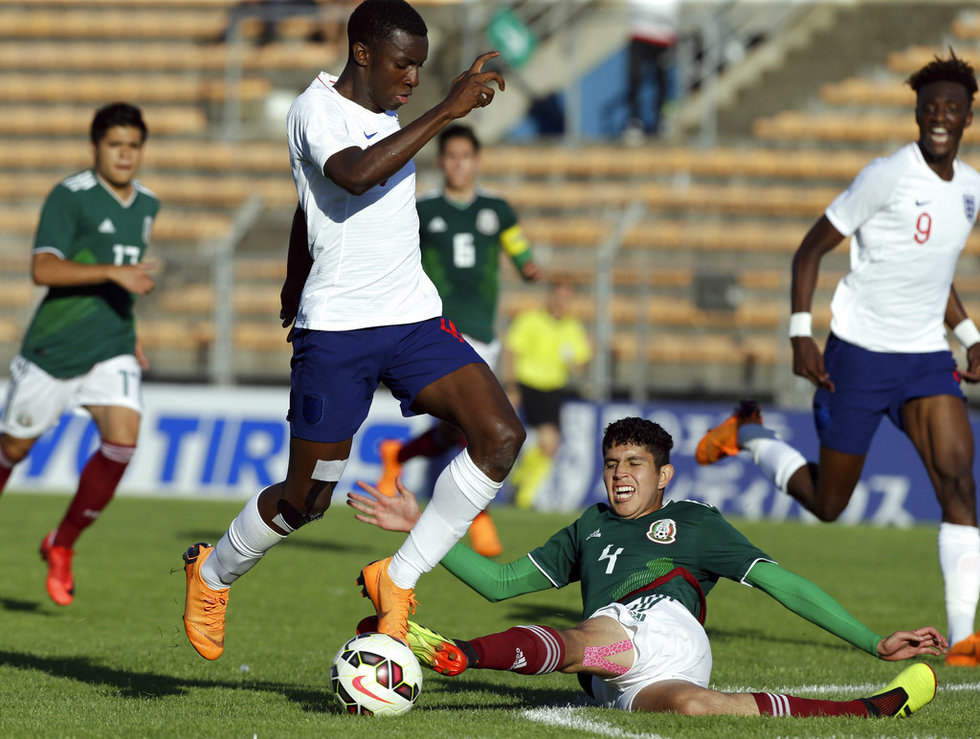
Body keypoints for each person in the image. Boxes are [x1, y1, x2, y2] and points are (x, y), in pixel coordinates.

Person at [181, 0, 525, 661]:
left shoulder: (386, 106)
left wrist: (291, 272)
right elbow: (351, 175)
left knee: (500, 436)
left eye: (422, 68)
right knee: (308, 499)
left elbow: (310, 205)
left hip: (412, 317)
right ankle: (214, 570)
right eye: (403, 64)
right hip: (338, 331)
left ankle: (397, 577)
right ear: (362, 53)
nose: (413, 79)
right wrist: (447, 111)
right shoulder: (316, 109)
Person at [348, 417, 945, 717]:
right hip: (621, 676)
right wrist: (423, 527)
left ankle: (463, 654)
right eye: (612, 463)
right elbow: (499, 582)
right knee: (695, 709)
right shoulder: (589, 525)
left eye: (635, 463)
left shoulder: (694, 521)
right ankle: (871, 710)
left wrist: (873, 641)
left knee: (590, 639)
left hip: (654, 631)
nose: (620, 474)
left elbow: (780, 582)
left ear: (664, 475)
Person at [695, 52, 980, 668]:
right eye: (930, 107)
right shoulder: (886, 175)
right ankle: (748, 434)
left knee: (959, 480)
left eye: (951, 109)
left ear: (967, 117)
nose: (939, 117)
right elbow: (809, 250)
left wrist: (969, 333)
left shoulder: (970, 189)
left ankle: (962, 641)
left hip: (927, 357)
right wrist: (802, 333)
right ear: (917, 113)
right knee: (830, 504)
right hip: (860, 354)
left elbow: (934, 274)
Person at [0, 102, 158, 607]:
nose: (125, 155)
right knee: (14, 450)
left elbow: (126, 283)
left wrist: (129, 332)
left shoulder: (148, 204)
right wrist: (112, 274)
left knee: (123, 442)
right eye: (115, 145)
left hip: (110, 348)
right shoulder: (71, 197)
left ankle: (61, 545)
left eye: (133, 145)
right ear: (95, 148)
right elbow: (43, 269)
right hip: (55, 348)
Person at [375, 122, 541, 557]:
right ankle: (479, 520)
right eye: (451, 157)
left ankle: (400, 452)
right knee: (479, 426)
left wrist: (528, 266)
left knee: (454, 430)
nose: (459, 164)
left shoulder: (497, 210)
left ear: (477, 161)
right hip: (441, 328)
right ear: (441, 161)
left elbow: (517, 246)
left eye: (466, 156)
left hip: (484, 330)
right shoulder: (424, 209)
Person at [504, 278, 591, 509]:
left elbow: (579, 364)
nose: (562, 301)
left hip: (553, 388)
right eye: (559, 295)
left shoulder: (573, 327)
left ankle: (521, 487)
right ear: (551, 295)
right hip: (528, 383)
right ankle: (523, 497)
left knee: (550, 446)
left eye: (567, 297)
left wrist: (576, 360)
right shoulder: (530, 320)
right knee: (540, 440)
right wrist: (511, 384)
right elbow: (512, 350)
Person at [622, 0, 679, 143]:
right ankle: (634, 121)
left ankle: (663, 120)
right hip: (639, 37)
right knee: (634, 79)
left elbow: (671, 9)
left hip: (665, 39)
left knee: (664, 82)